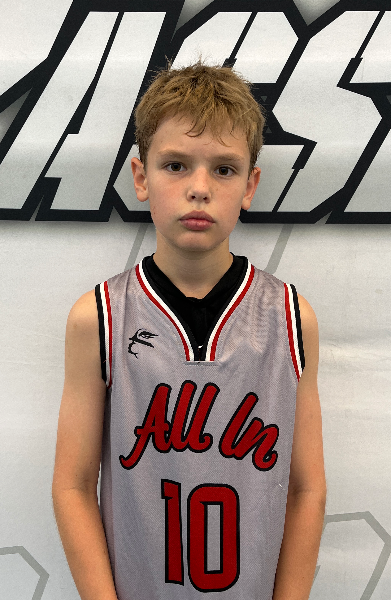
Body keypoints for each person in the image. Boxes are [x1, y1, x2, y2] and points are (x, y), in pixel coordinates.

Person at [52, 60, 326, 600]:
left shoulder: (292, 318)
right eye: (176, 165)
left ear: (250, 185)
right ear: (141, 177)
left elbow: (306, 489)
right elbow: (73, 486)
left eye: (223, 169)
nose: (199, 188)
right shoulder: (100, 317)